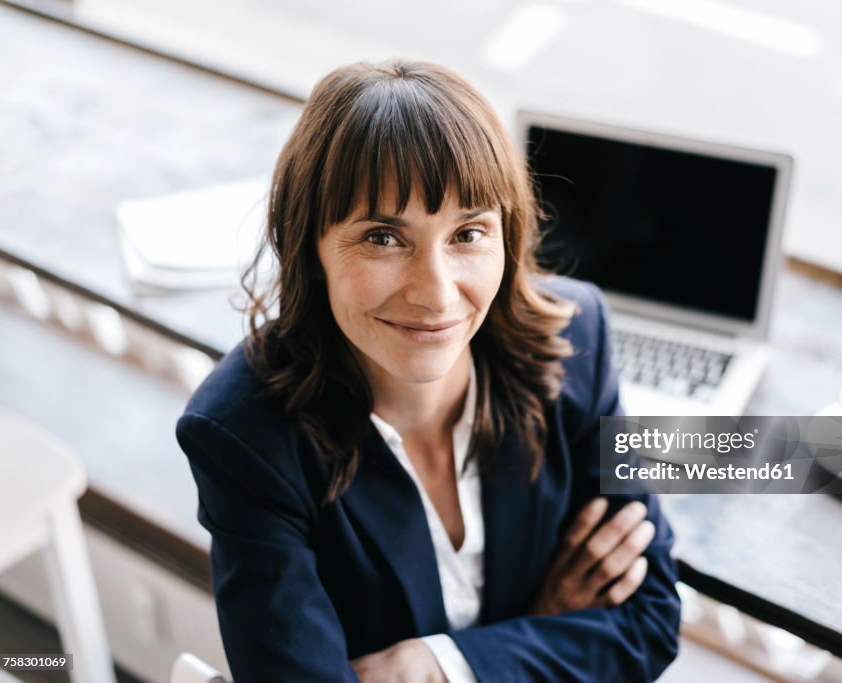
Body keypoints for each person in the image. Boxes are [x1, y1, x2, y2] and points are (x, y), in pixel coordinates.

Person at [175, 58, 681, 683]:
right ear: (310, 248)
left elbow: (650, 620)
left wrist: (438, 666)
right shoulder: (242, 434)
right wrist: (545, 624)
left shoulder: (577, 336)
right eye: (384, 238)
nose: (437, 295)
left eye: (469, 233)